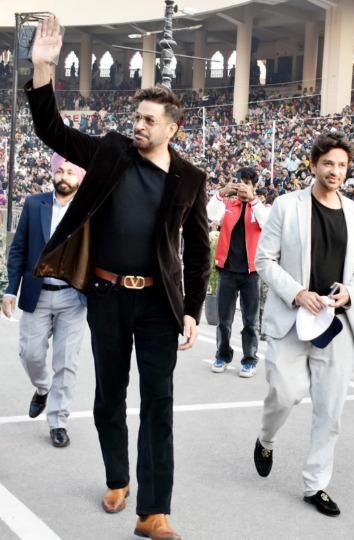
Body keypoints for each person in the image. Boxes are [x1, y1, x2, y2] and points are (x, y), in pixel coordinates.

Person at [26, 15, 210, 540]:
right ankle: (116, 478)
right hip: (106, 294)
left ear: (173, 129)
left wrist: (192, 309)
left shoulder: (191, 178)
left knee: (158, 403)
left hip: (157, 306)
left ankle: (153, 512)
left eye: (150, 120)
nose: (140, 125)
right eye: (138, 117)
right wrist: (42, 68)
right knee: (110, 396)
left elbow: (198, 251)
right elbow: (52, 130)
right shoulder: (110, 152)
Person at [253, 132, 354, 517]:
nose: (335, 171)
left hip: (335, 323)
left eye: (341, 165)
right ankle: (266, 438)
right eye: (328, 163)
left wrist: (350, 292)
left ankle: (315, 484)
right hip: (293, 319)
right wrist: (298, 293)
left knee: (330, 410)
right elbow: (264, 260)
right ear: (314, 165)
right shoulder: (287, 206)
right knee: (285, 393)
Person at [1, 153, 87, 448]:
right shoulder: (34, 204)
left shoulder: (89, 209)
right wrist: (10, 290)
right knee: (30, 354)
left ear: (80, 178)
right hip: (37, 294)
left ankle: (58, 421)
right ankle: (43, 388)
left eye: (71, 172)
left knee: (66, 362)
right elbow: (18, 249)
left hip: (73, 298)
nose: (64, 177)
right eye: (61, 171)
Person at [207, 167, 270, 377]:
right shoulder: (227, 206)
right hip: (228, 270)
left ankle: (250, 359)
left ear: (254, 186)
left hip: (252, 273)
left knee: (251, 321)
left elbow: (266, 223)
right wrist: (221, 193)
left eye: (247, 183)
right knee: (224, 319)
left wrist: (252, 199)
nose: (242, 186)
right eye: (239, 182)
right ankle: (222, 355)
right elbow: (209, 214)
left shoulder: (262, 208)